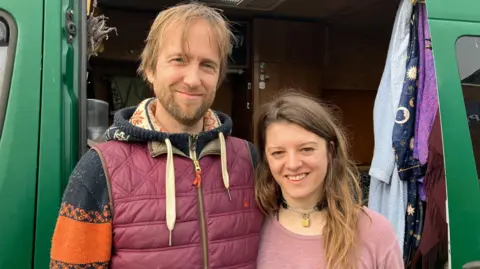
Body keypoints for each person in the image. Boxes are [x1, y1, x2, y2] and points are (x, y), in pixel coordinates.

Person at [49, 3, 263, 268]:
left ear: (219, 76)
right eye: (179, 60)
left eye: (207, 65)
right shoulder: (99, 168)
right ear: (150, 69)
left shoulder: (249, 160)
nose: (193, 79)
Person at [254, 89, 404, 269]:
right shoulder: (252, 228)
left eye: (306, 149)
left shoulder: (375, 231)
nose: (293, 164)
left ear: (330, 151)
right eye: (278, 153)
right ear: (266, 159)